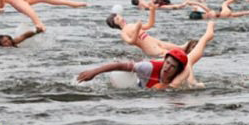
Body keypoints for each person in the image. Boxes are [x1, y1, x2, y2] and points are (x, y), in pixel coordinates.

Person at [78, 21, 215, 89]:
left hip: (183, 70)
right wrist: (94, 72)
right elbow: (119, 65)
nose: (167, 68)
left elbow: (166, 89)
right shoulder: (147, 67)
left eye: (171, 67)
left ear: (177, 70)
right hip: (157, 63)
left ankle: (210, 27)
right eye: (167, 63)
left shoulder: (182, 73)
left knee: (196, 85)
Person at [106, 0, 197, 57]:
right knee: (168, 54)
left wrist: (152, 11)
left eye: (119, 16)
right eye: (117, 19)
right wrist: (137, 30)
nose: (120, 18)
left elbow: (150, 24)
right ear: (115, 24)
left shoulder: (132, 24)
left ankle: (190, 51)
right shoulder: (123, 33)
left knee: (180, 48)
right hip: (150, 48)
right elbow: (131, 42)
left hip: (156, 41)